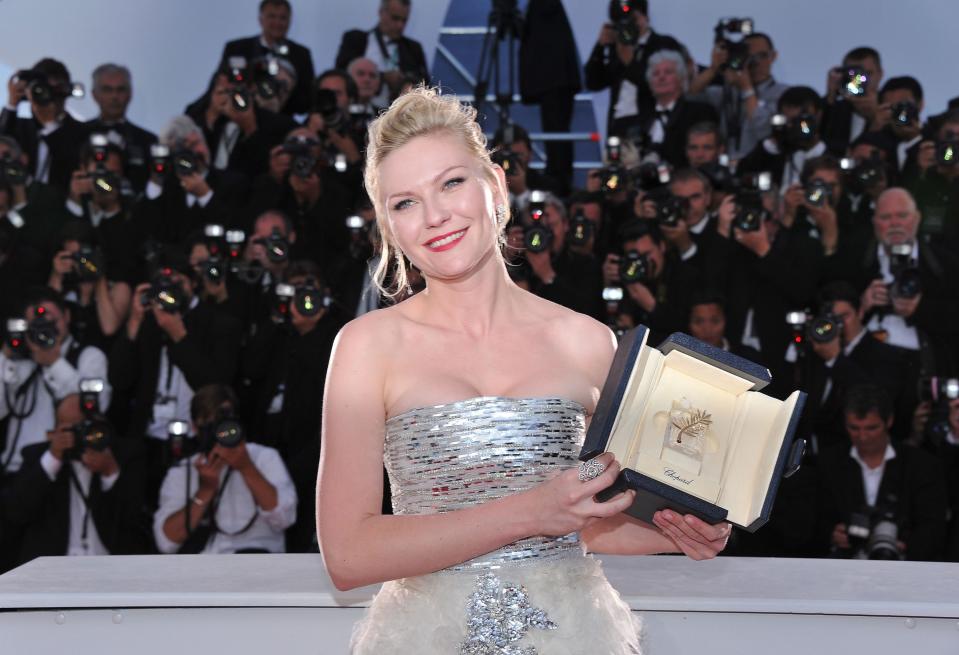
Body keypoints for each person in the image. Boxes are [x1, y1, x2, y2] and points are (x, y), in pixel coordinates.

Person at [317, 87, 728, 653]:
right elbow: (347, 555)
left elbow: (589, 522)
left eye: (451, 183)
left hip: (571, 635)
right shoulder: (366, 346)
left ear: (495, 187)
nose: (435, 216)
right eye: (404, 202)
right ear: (388, 227)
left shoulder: (588, 341)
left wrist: (679, 533)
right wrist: (528, 511)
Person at [153, 384, 296, 554]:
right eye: (209, 424)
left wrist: (247, 467)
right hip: (207, 566)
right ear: (194, 428)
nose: (218, 433)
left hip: (260, 562)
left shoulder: (265, 457)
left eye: (223, 423)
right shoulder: (183, 471)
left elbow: (285, 519)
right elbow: (166, 542)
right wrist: (205, 491)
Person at [816, 384, 948, 561]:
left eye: (871, 428)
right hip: (842, 566)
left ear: (889, 421)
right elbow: (812, 518)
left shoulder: (921, 466)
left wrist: (906, 547)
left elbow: (933, 526)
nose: (862, 436)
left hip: (907, 569)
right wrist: (831, 534)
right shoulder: (828, 463)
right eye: (854, 428)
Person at [220, 0, 316, 116]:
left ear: (290, 21)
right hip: (239, 116)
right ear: (260, 19)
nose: (277, 22)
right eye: (272, 16)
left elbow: (307, 101)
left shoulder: (301, 55)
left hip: (282, 123)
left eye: (283, 18)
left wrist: (284, 88)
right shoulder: (237, 48)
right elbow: (220, 84)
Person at [335, 0, 430, 107]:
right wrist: (383, 77)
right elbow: (341, 73)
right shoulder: (356, 39)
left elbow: (425, 84)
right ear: (381, 12)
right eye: (395, 18)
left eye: (404, 20)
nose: (400, 25)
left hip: (398, 113)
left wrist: (405, 82)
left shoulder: (413, 49)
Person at [83, 63, 158, 192]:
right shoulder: (78, 134)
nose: (114, 97)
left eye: (120, 90)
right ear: (95, 95)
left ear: (129, 94)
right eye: (107, 90)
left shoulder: (148, 141)